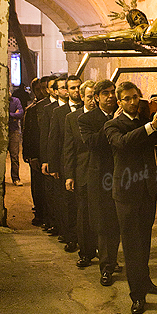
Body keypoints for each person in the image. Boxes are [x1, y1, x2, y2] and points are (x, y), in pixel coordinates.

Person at [104, 81, 157, 314]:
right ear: (120, 102)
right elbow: (123, 143)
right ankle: (136, 295)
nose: (133, 102)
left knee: (144, 239)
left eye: (136, 97)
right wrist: (151, 126)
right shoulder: (112, 125)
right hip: (126, 193)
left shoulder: (148, 120)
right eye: (127, 98)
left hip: (147, 189)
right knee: (131, 244)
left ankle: (145, 282)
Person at [78, 80, 122, 286]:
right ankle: (106, 268)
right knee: (104, 225)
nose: (111, 96)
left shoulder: (126, 115)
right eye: (105, 93)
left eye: (113, 92)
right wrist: (112, 123)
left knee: (121, 223)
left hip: (124, 176)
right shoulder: (86, 120)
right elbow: (93, 143)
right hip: (100, 178)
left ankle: (113, 260)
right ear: (96, 98)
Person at [63, 80, 99, 268]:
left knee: (103, 215)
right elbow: (69, 149)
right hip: (82, 173)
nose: (92, 100)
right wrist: (69, 175)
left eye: (95, 96)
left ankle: (106, 255)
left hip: (103, 174)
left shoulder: (105, 118)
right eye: (89, 96)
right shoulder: (72, 118)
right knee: (83, 215)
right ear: (82, 98)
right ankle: (86, 253)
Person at [48, 75, 83, 252]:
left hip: (84, 164)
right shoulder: (59, 113)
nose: (76, 91)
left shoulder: (87, 110)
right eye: (73, 88)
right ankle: (71, 237)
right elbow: (54, 140)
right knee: (68, 203)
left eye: (78, 87)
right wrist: (53, 165)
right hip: (65, 163)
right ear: (67, 91)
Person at [40, 75, 67, 236]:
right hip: (56, 157)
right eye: (63, 87)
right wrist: (46, 160)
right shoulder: (50, 110)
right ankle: (59, 226)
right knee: (57, 195)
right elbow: (47, 138)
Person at [22, 77, 47, 225]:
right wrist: (30, 155)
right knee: (37, 185)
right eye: (38, 89)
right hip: (36, 154)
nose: (41, 92)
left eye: (43, 88)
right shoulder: (32, 110)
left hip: (47, 153)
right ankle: (39, 212)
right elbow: (28, 134)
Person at [8, 92, 24, 186]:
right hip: (3, 131)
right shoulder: (0, 101)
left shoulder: (15, 101)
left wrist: (9, 115)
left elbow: (21, 113)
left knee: (14, 156)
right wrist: (13, 114)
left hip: (13, 131)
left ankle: (16, 178)